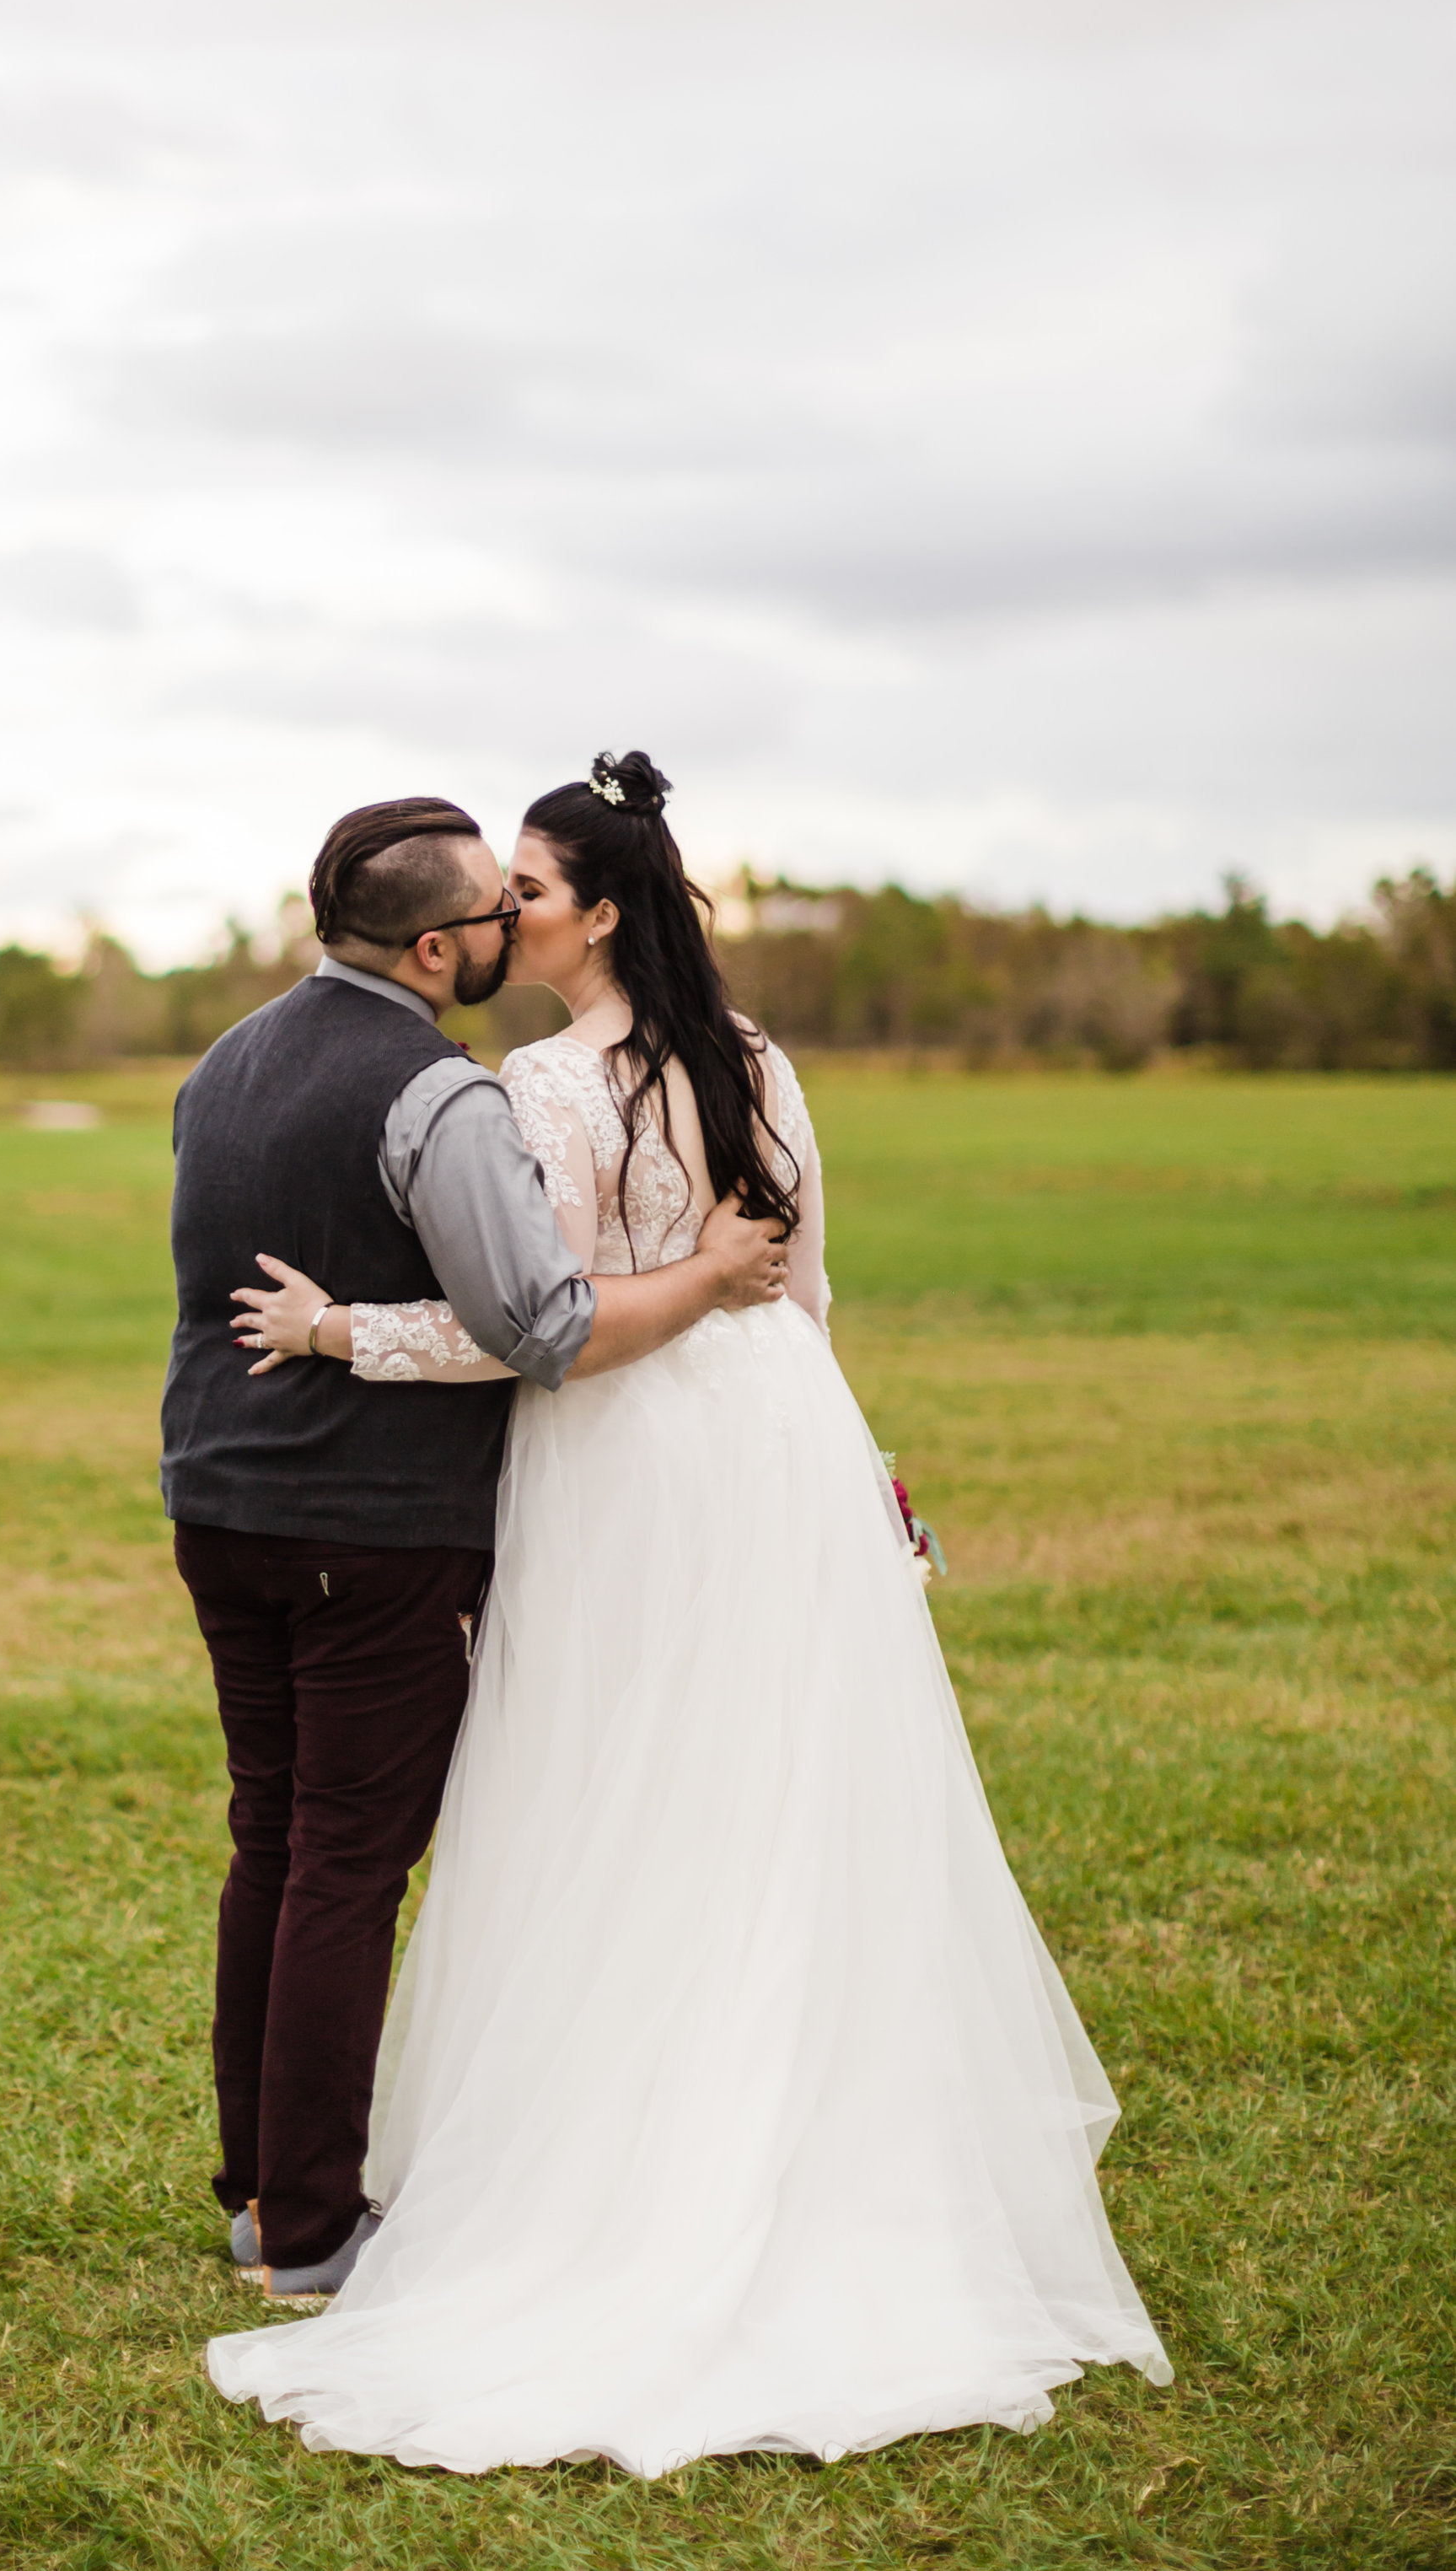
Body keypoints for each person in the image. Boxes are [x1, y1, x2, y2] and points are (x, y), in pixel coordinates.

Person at [207, 750, 1171, 2469]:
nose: (507, 907)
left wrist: (346, 1328)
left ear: (588, 911)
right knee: (763, 1790)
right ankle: (785, 2130)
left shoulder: (541, 1087)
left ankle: (631, 2158)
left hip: (631, 1458)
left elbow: (543, 1325)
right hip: (774, 1441)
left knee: (619, 1794)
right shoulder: (755, 1063)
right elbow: (799, 1293)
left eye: (528, 884)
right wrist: (860, 1472)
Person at [159, 793, 790, 2304]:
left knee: (274, 1836)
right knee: (345, 1864)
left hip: (216, 1507)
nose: (513, 928)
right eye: (495, 914)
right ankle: (310, 2225)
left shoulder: (218, 1064)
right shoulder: (439, 1096)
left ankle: (257, 2185)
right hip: (365, 1528)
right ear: (441, 946)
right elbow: (544, 1324)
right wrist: (707, 1279)